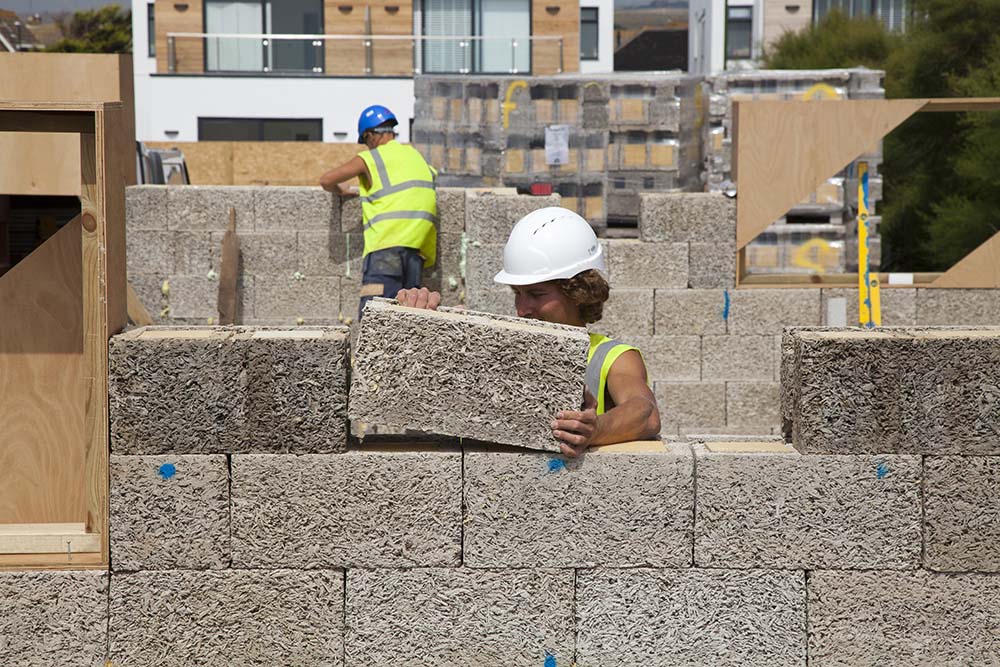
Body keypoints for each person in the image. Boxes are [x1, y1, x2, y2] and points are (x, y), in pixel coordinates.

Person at [397, 207, 661, 456]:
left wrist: (595, 429)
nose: (523, 309)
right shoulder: (507, 351)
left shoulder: (612, 358)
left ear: (578, 292)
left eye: (536, 294)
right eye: (518, 294)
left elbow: (645, 412)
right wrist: (420, 323)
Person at [319, 105, 438, 320]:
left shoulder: (372, 158)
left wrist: (342, 190)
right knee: (409, 319)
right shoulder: (415, 156)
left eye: (365, 141)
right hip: (416, 253)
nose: (367, 146)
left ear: (370, 136)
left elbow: (326, 180)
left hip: (385, 249)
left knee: (375, 316)